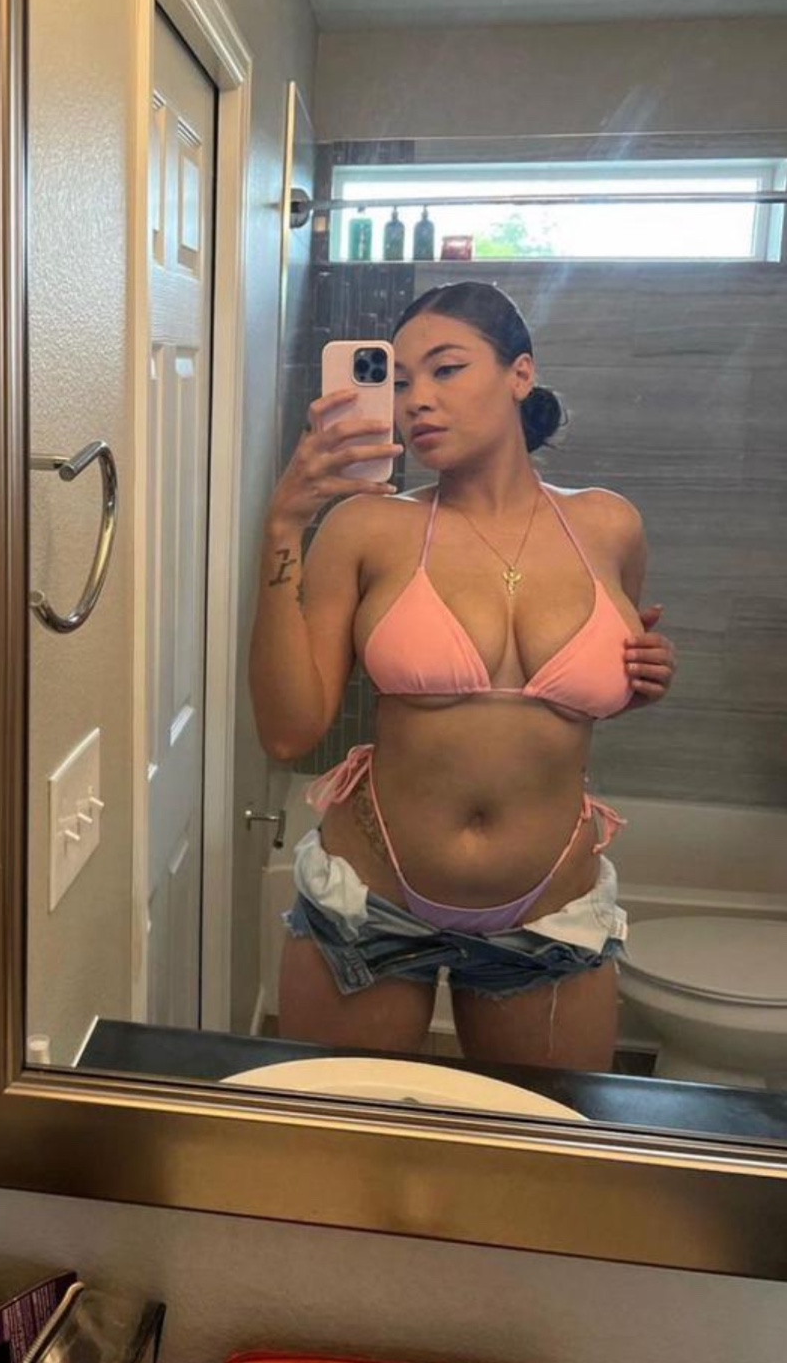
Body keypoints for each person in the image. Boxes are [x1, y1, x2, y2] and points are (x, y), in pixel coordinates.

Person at [250, 282, 676, 1071]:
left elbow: (566, 702)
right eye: (399, 381)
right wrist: (283, 526)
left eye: (445, 369)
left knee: (540, 1134)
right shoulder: (367, 526)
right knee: (336, 1133)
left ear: (521, 374)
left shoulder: (610, 525)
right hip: (370, 902)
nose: (416, 400)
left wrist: (640, 680)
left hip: (549, 916)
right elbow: (288, 731)